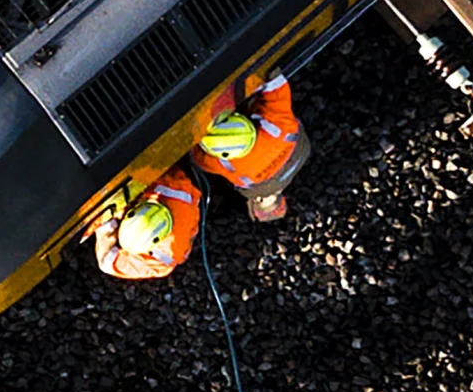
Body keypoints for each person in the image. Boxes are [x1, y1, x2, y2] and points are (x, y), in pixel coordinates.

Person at [190, 72, 309, 222]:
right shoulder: (243, 178)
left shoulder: (296, 145)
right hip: (216, 118)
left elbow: (276, 85)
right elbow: (202, 159)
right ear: (257, 201)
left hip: (261, 112)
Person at [88, 162, 201, 283]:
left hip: (182, 235)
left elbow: (105, 262)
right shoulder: (174, 188)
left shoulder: (160, 261)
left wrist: (105, 229)